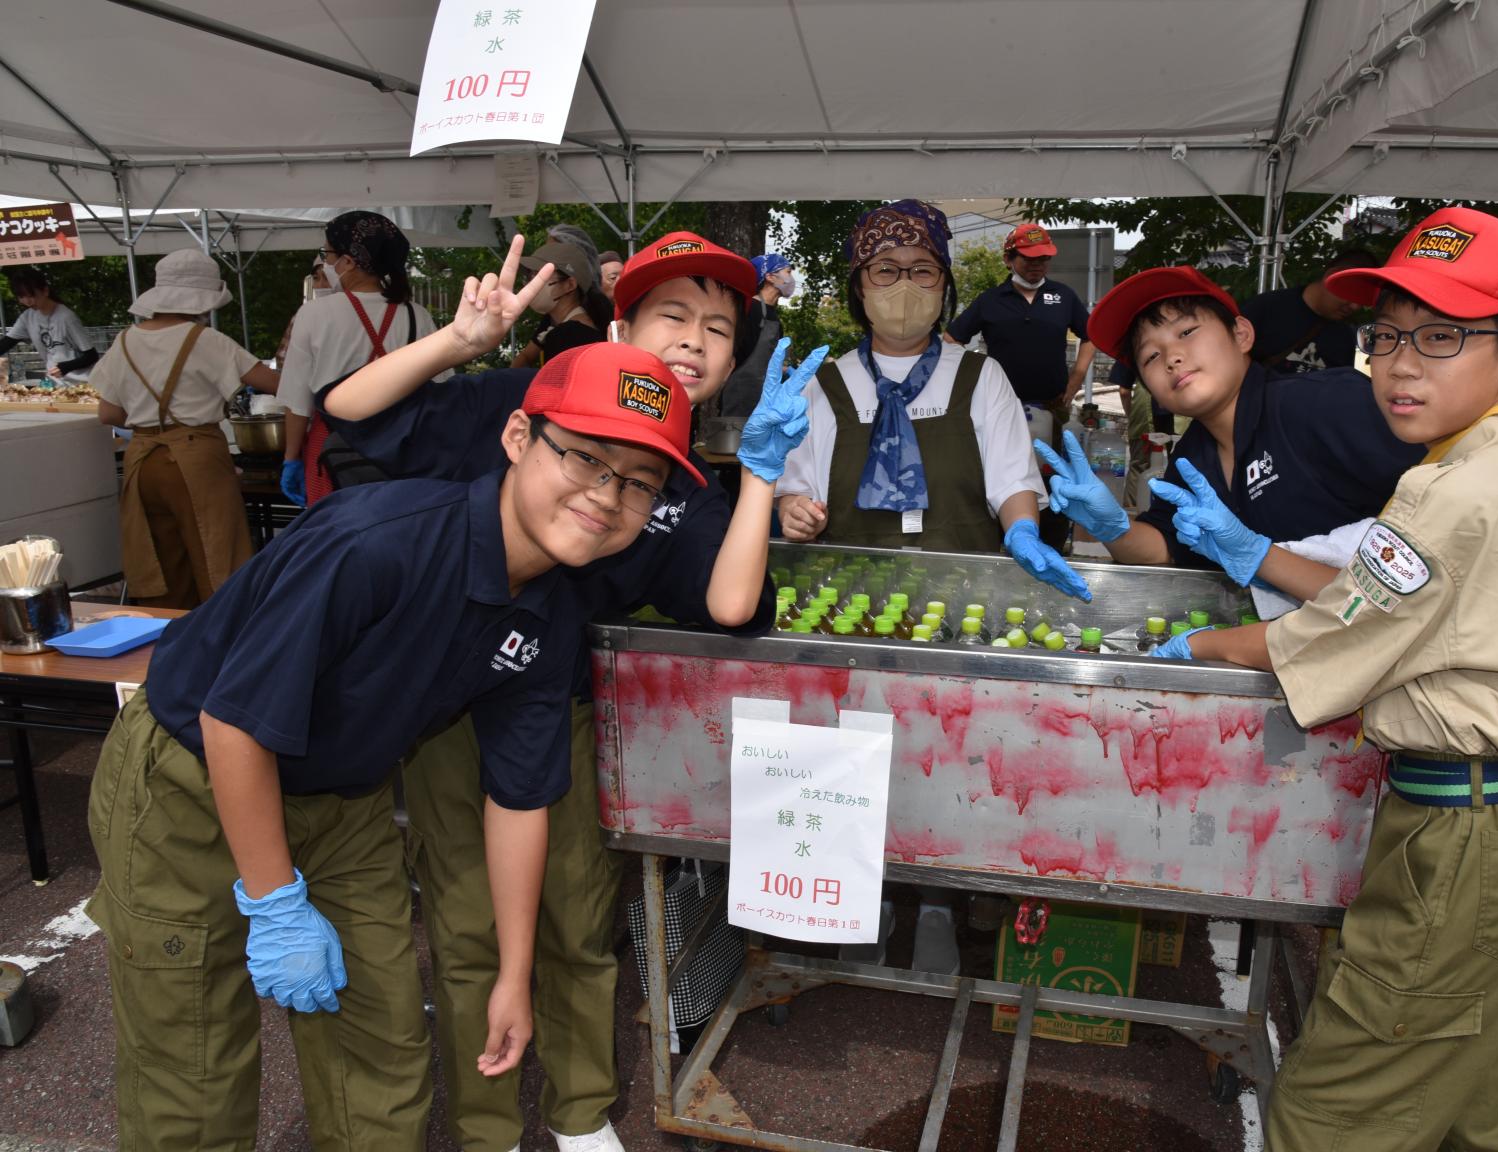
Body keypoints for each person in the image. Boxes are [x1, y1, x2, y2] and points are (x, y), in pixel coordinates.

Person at [86, 340, 710, 1150]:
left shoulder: (552, 611)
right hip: (192, 784)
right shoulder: (377, 541)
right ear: (519, 438)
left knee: (382, 1057)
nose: (606, 495)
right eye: (586, 458)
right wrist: (275, 904)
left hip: (342, 800)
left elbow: (518, 798)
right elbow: (232, 719)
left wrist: (513, 980)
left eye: (638, 482)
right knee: (194, 1077)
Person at [320, 230, 817, 1152]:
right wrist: (456, 345)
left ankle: (583, 1114)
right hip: (452, 713)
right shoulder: (529, 398)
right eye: (672, 313)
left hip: (572, 713)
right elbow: (352, 415)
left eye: (719, 328)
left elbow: (735, 603)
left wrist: (756, 477)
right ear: (618, 320)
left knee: (579, 923)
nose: (695, 341)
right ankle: (487, 1124)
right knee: (467, 928)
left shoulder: (681, 483)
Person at [1154, 206, 1498, 1151]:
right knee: (1478, 1112)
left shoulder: (1448, 489)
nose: (1402, 364)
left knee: (1327, 1118)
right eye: (1389, 336)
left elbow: (1327, 640)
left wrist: (1187, 651)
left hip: (1471, 838)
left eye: (1442, 338)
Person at [776, 200, 1086, 975]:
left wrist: (1020, 526)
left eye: (921, 271)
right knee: (861, 760)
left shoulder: (980, 379)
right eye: (887, 271)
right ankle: (870, 894)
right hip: (852, 616)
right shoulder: (826, 385)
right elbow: (792, 491)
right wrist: (793, 510)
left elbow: (1015, 480)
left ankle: (942, 900)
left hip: (961, 613)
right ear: (859, 286)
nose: (904, 285)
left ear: (945, 286)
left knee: (952, 763)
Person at [1037, 265, 1420, 585]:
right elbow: (1162, 548)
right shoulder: (1192, 456)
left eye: (1186, 332)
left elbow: (1433, 534)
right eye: (1151, 356)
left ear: (1241, 334)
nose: (1172, 357)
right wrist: (1113, 528)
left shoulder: (1328, 402)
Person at [88, 249, 280, 608]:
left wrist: (151, 417)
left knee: (160, 565)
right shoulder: (207, 340)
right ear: (202, 300)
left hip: (142, 461)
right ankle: (224, 641)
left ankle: (167, 640)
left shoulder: (124, 341)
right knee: (219, 557)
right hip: (196, 457)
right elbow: (274, 384)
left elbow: (108, 414)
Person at [946, 221, 1096, 548]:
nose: (1036, 264)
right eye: (1029, 258)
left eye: (1043, 258)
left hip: (1051, 407)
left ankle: (1053, 544)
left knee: (1052, 477)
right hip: (1000, 410)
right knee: (1000, 475)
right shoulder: (990, 300)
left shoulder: (1063, 296)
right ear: (1009, 259)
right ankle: (1002, 541)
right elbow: (951, 340)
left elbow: (1091, 336)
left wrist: (1074, 383)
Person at [277, 211, 438, 506]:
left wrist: (291, 459)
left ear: (348, 262)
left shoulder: (313, 314)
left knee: (336, 538)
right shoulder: (417, 314)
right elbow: (440, 390)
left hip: (331, 450)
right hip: (401, 448)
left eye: (327, 254)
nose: (325, 263)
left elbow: (298, 402)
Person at [1239, 248, 1377, 374]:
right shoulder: (1265, 309)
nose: (1355, 306)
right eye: (1353, 294)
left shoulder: (1344, 337)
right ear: (1332, 276)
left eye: (1362, 300)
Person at [508, 236, 611, 369]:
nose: (531, 283)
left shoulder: (567, 336)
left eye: (540, 275)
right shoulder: (554, 323)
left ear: (569, 285)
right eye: (530, 276)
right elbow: (526, 357)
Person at [718, 252, 796, 418]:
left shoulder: (774, 317)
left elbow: (765, 362)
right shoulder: (748, 309)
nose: (792, 278)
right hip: (739, 401)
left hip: (763, 403)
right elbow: (735, 356)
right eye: (788, 272)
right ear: (770, 276)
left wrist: (786, 371)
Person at [1, 268, 98, 382]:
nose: (27, 301)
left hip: (82, 382)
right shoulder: (27, 317)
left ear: (45, 291)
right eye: (22, 297)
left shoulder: (66, 317)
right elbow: (6, 343)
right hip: (55, 383)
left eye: (31, 295)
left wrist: (65, 367)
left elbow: (91, 356)